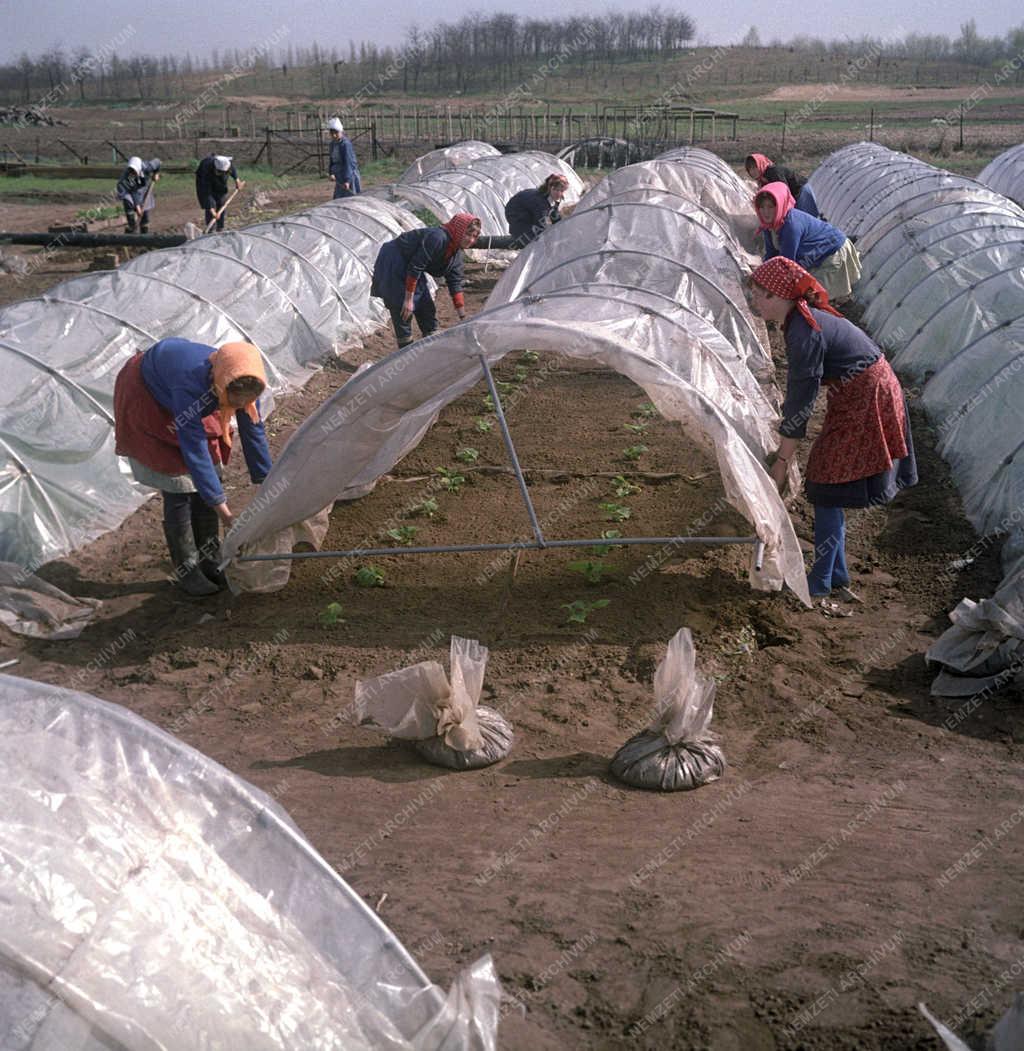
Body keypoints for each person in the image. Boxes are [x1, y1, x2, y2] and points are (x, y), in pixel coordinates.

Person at [747, 257, 917, 603]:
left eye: (761, 296)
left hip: (867, 396)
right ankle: (834, 572)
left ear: (780, 296)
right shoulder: (798, 322)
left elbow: (801, 399)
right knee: (828, 484)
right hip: (862, 390)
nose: (755, 303)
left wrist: (782, 460)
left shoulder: (804, 331)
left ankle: (821, 579)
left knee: (825, 483)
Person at [113, 339, 272, 596]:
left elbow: (254, 432)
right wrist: (227, 516)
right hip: (151, 398)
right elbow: (194, 448)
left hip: (198, 395)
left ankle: (210, 559)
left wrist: (268, 484)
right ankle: (187, 569)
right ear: (221, 387)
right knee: (180, 486)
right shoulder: (189, 385)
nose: (238, 409)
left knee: (211, 473)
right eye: (233, 403)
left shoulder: (246, 379)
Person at [370, 212, 481, 349]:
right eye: (468, 234)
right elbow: (416, 266)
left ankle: (431, 341)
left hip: (411, 266)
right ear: (459, 230)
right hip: (395, 259)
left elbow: (455, 283)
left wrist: (463, 316)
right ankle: (405, 349)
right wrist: (408, 299)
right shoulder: (437, 237)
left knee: (425, 304)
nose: (470, 240)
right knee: (402, 307)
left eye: (474, 237)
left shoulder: (455, 254)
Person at [754, 182, 861, 303]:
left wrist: (773, 290)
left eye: (770, 206)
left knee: (811, 297)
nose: (765, 212)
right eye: (762, 207)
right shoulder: (769, 224)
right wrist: (761, 277)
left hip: (832, 251)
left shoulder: (791, 225)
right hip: (813, 253)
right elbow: (771, 254)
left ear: (780, 204)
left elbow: (787, 264)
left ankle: (837, 305)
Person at [504, 173, 570, 248]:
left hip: (528, 213)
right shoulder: (540, 201)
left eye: (562, 191)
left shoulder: (553, 199)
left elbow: (555, 216)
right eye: (556, 190)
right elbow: (541, 223)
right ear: (550, 188)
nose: (559, 193)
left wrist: (563, 229)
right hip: (516, 214)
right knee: (533, 239)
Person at [195, 154, 245, 232]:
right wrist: (212, 210)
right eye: (219, 172)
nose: (220, 174)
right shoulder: (206, 168)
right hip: (203, 181)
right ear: (215, 168)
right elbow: (206, 192)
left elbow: (233, 170)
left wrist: (237, 181)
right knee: (211, 206)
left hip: (220, 180)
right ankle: (210, 230)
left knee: (221, 202)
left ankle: (220, 228)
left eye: (222, 172)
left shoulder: (227, 165)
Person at [116, 156, 160, 234]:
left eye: (134, 171)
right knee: (128, 201)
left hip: (143, 189)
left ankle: (144, 232)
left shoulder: (147, 167)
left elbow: (158, 161)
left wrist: (156, 173)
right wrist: (137, 206)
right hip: (127, 189)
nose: (133, 172)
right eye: (131, 170)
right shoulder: (129, 176)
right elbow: (133, 190)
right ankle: (132, 226)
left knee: (145, 210)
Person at [325, 117, 361, 199]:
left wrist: (347, 181)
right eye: (332, 133)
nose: (334, 135)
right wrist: (331, 173)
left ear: (341, 132)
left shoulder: (345, 145)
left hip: (349, 175)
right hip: (339, 176)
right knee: (339, 200)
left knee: (351, 200)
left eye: (336, 133)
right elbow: (332, 160)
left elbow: (348, 163)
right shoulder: (332, 144)